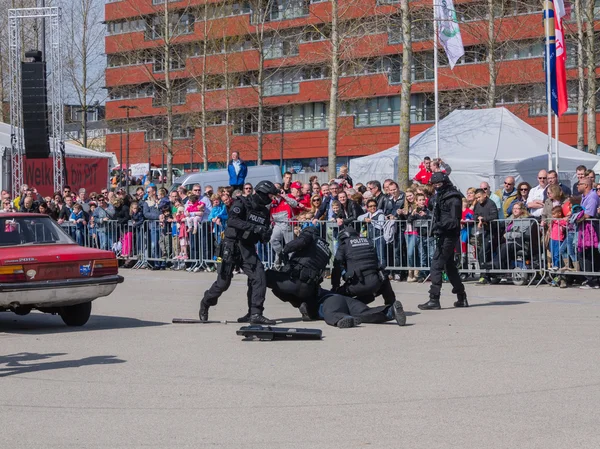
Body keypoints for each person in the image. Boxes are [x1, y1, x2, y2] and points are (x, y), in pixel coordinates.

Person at [199, 180, 279, 324]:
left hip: (247, 248)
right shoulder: (242, 202)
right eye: (269, 195)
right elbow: (232, 221)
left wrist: (266, 234)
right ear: (261, 193)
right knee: (223, 283)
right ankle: (206, 302)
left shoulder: (264, 212)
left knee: (259, 276)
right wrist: (253, 227)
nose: (271, 199)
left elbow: (263, 238)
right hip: (231, 245)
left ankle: (255, 313)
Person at [418, 172, 468, 310]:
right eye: (435, 185)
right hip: (442, 234)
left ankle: (434, 299)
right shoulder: (439, 196)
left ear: (445, 183)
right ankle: (461, 296)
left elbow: (454, 221)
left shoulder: (453, 198)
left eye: (439, 184)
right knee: (449, 266)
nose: (437, 187)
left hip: (449, 235)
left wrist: (440, 225)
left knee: (436, 265)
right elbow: (435, 209)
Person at [331, 227, 403, 319]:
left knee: (338, 298)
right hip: (375, 284)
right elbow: (378, 265)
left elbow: (337, 267)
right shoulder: (368, 242)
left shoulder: (344, 245)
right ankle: (392, 304)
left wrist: (335, 287)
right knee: (383, 278)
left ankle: (384, 311)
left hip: (356, 285)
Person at [266, 225, 331, 321]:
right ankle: (304, 306)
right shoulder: (327, 251)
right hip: (308, 289)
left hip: (294, 281)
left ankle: (255, 312)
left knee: (262, 276)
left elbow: (298, 243)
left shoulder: (309, 235)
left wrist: (284, 252)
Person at [316, 288, 406, 328]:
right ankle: (390, 311)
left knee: (332, 313)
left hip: (329, 301)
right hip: (345, 299)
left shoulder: (310, 296)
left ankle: (343, 318)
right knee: (365, 312)